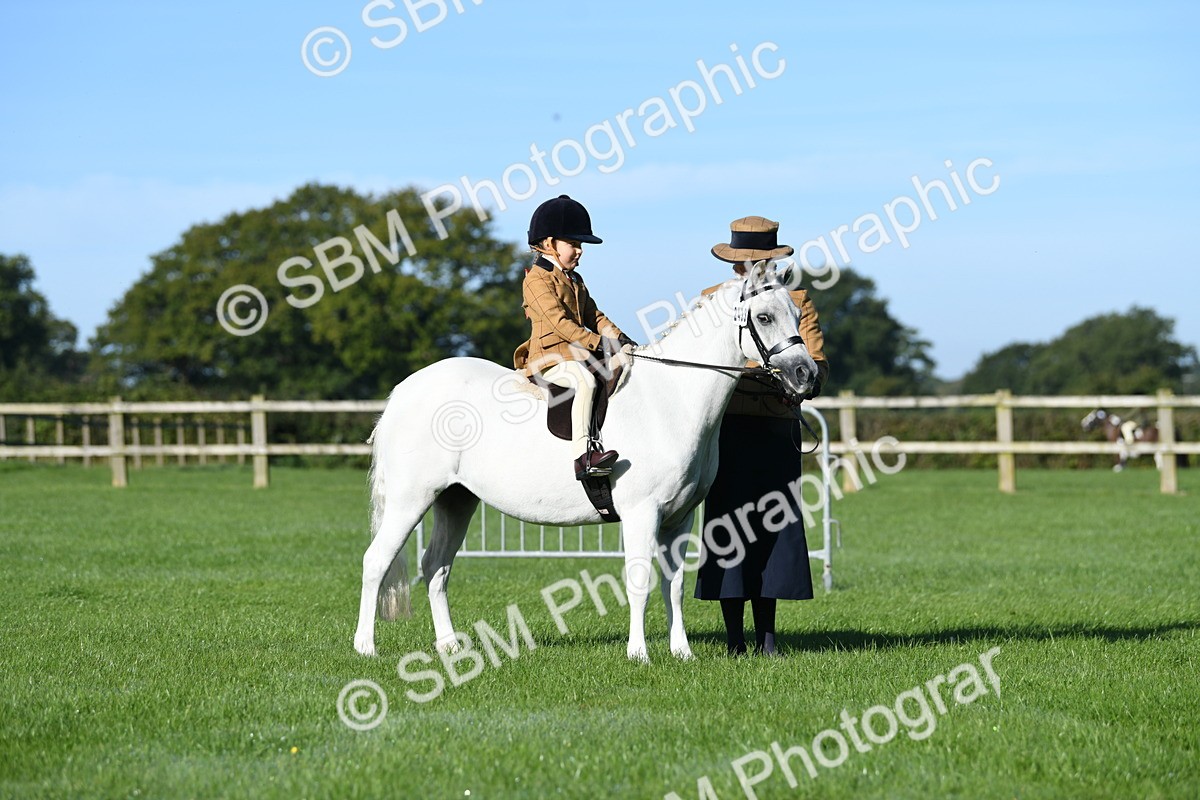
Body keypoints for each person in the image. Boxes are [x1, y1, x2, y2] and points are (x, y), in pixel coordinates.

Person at [693, 216, 830, 655]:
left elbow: (816, 362)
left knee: (774, 531)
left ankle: (768, 638)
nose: (754, 267)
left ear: (773, 260)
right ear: (736, 265)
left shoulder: (797, 301)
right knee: (727, 529)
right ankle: (734, 640)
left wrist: (803, 385)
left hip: (777, 429)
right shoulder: (711, 302)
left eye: (762, 260)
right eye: (747, 261)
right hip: (727, 428)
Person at [513, 195, 636, 480]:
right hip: (549, 358)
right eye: (574, 244)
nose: (579, 251)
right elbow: (560, 324)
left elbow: (595, 315)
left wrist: (622, 338)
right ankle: (583, 456)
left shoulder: (575, 280)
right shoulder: (536, 280)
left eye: (580, 245)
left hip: (577, 354)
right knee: (585, 380)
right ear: (548, 244)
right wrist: (601, 344)